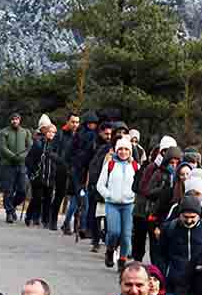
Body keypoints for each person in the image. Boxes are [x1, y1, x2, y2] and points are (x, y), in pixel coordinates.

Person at [96, 137, 139, 272]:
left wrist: (134, 196)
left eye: (126, 149)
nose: (123, 152)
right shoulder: (110, 164)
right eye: (120, 149)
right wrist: (108, 195)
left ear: (130, 151)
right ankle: (109, 250)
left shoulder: (135, 166)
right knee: (114, 232)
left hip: (129, 205)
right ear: (116, 150)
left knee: (126, 236)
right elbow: (100, 185)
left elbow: (139, 185)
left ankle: (122, 260)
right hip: (112, 204)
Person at [133, 138, 180, 262]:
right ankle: (138, 261)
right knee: (140, 237)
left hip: (163, 211)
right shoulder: (153, 168)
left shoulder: (178, 174)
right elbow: (145, 189)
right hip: (146, 208)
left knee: (158, 242)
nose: (174, 165)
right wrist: (162, 190)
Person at [84, 123, 115, 252]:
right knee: (98, 216)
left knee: (109, 219)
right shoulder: (100, 148)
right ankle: (95, 240)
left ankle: (109, 243)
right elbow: (93, 166)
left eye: (110, 134)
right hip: (100, 188)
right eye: (106, 134)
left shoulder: (126, 152)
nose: (108, 137)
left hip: (114, 192)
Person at [0, 112, 32, 223]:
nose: (15, 121)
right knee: (8, 190)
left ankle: (11, 206)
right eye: (13, 119)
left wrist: (21, 156)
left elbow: (29, 146)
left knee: (22, 190)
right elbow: (2, 147)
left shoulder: (25, 132)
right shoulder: (4, 132)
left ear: (19, 120)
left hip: (21, 165)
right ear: (10, 121)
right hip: (8, 165)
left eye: (16, 119)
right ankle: (9, 213)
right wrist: (13, 156)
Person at [24, 123, 57, 228]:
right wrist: (32, 172)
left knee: (48, 199)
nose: (52, 134)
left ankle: (46, 220)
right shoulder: (38, 144)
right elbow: (29, 160)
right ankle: (31, 216)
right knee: (36, 199)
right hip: (38, 176)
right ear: (45, 132)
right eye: (50, 132)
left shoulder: (55, 146)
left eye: (54, 132)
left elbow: (58, 161)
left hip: (50, 177)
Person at [48, 115, 77, 232]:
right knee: (59, 195)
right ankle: (53, 219)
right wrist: (61, 161)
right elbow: (50, 151)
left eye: (77, 122)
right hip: (61, 170)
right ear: (68, 122)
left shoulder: (79, 136)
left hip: (75, 170)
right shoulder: (60, 135)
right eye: (73, 122)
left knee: (75, 198)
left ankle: (71, 224)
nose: (75, 124)